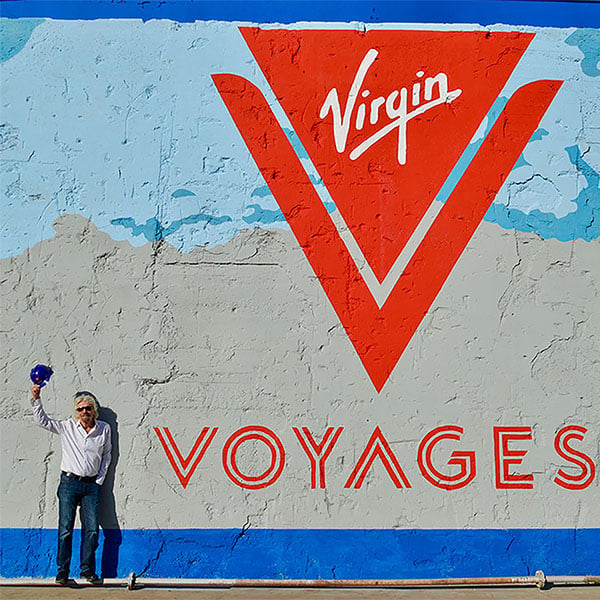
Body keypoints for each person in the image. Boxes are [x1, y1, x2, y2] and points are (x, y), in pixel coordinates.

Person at [30, 385, 111, 585]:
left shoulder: (104, 429)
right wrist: (36, 399)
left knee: (92, 530)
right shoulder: (67, 427)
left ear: (94, 410)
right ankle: (63, 571)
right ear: (76, 412)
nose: (84, 412)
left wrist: (99, 480)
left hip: (91, 486)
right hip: (69, 483)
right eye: (80, 409)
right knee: (65, 529)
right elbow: (43, 421)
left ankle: (87, 570)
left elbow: (107, 455)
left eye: (88, 408)